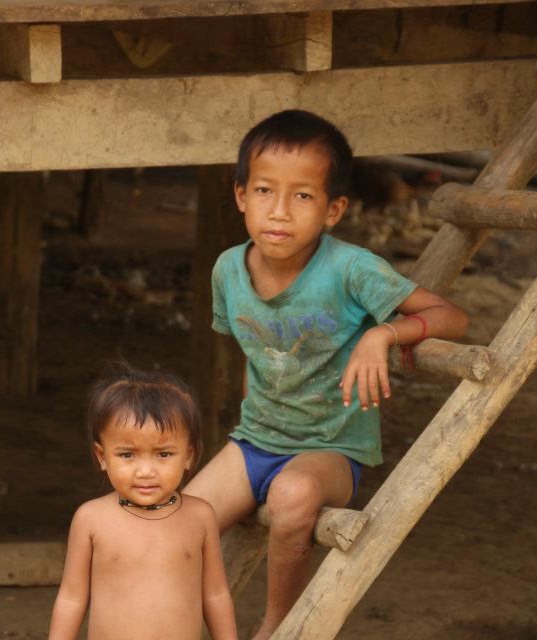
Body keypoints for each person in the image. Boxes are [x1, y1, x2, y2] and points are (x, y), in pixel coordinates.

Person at [184, 109, 469, 639]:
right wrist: (248, 432)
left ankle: (278, 626)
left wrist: (383, 334)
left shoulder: (351, 269)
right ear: (241, 196)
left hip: (331, 451)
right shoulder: (228, 269)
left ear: (333, 209)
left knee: (292, 496)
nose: (279, 211)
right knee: (175, 527)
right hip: (253, 443)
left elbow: (452, 317)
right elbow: (254, 353)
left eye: (303, 196)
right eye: (264, 191)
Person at [48, 366, 238, 640]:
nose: (146, 471)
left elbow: (215, 594)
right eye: (127, 455)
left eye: (163, 454)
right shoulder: (91, 519)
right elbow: (71, 598)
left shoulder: (200, 516)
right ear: (102, 456)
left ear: (188, 455)